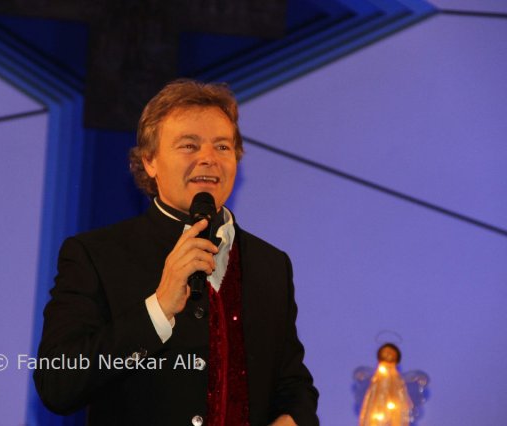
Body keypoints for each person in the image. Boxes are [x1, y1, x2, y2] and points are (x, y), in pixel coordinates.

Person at [33, 79, 319, 425]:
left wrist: (292, 418)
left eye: (222, 147)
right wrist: (158, 308)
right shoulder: (96, 255)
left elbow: (294, 385)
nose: (208, 159)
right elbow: (57, 383)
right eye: (189, 145)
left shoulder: (270, 264)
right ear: (149, 161)